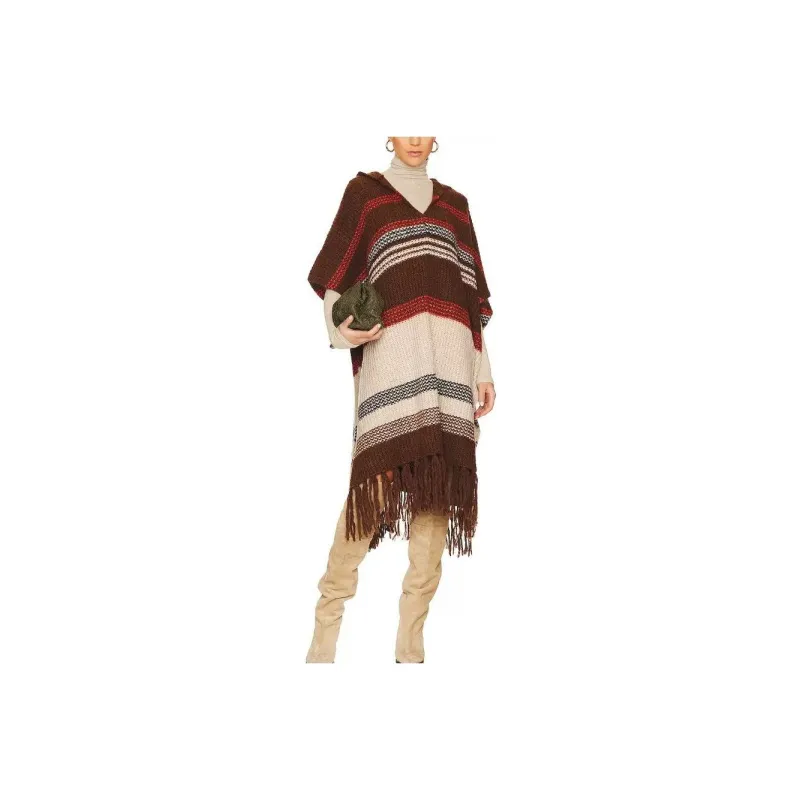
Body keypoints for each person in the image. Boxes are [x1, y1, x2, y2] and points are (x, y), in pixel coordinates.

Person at [305, 136, 496, 663]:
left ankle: (410, 648)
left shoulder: (455, 206)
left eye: (426, 127)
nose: (415, 138)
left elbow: (470, 302)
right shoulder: (365, 195)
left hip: (451, 367)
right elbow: (334, 280)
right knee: (371, 492)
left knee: (435, 499)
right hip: (391, 363)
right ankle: (325, 634)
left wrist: (483, 371)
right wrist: (342, 330)